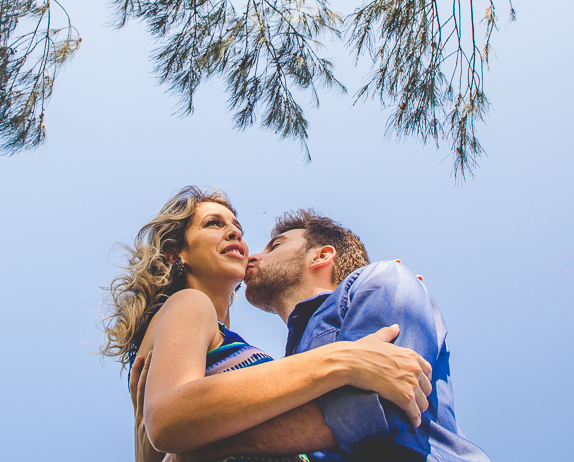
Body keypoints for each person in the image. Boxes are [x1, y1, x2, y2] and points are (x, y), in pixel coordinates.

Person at [101, 187, 433, 462]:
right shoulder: (190, 304)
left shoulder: (225, 336)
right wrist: (345, 359)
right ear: (177, 255)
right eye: (213, 224)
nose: (235, 233)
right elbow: (170, 421)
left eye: (237, 228)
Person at [165, 209, 493, 462]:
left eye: (275, 246)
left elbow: (385, 405)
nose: (253, 255)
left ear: (321, 256)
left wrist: (203, 445)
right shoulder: (292, 367)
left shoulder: (383, 279)